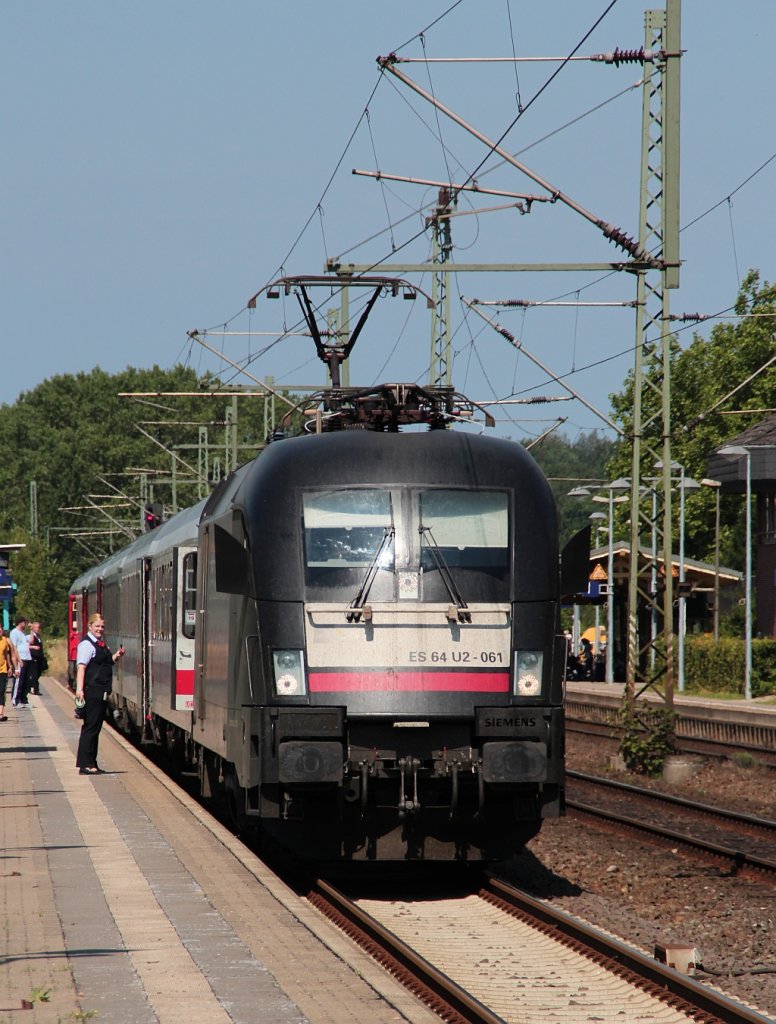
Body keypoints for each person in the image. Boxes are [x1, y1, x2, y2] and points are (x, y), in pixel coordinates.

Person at [75, 613, 124, 775]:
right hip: (92, 691)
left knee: (95, 728)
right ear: (90, 626)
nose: (100, 629)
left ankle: (92, 762)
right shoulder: (86, 645)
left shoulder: (99, 644)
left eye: (102, 626)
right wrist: (79, 690)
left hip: (100, 692)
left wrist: (116, 656)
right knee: (90, 728)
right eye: (97, 626)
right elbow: (81, 667)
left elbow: (105, 662)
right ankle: (85, 764)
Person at [10, 616, 32, 708]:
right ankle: (16, 700)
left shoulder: (22, 633)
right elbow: (14, 648)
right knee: (19, 681)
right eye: (25, 622)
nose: (26, 624)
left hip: (27, 659)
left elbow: (31, 640)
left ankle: (23, 699)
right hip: (21, 659)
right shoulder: (14, 633)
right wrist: (19, 660)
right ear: (21, 622)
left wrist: (31, 629)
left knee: (26, 681)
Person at [0, 625, 16, 721]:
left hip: (2, 669)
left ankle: (1, 714)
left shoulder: (5, 641)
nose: (1, 630)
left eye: (1, 628)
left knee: (1, 691)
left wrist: (10, 666)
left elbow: (6, 654)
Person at [28, 620, 44, 695]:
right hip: (33, 657)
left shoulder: (38, 636)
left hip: (39, 657)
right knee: (34, 674)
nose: (38, 629)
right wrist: (31, 630)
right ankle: (35, 690)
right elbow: (30, 643)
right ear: (33, 628)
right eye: (36, 628)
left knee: (39, 673)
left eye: (39, 627)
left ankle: (29, 685)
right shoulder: (32, 636)